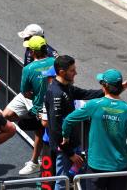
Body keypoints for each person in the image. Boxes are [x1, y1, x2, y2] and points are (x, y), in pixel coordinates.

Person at [62, 68, 127, 190]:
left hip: (95, 166)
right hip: (119, 166)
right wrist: (125, 158)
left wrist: (65, 137)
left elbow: (68, 120)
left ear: (104, 86)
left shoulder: (93, 105)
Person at [44, 55, 105, 190]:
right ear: (61, 72)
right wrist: (70, 154)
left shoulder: (68, 87)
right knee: (62, 182)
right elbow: (55, 128)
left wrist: (110, 90)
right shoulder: (56, 93)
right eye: (72, 70)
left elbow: (86, 94)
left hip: (73, 143)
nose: (75, 73)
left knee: (76, 179)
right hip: (65, 149)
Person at [3, 35, 55, 174]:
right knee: (7, 115)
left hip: (40, 106)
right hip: (46, 103)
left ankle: (35, 162)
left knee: (41, 132)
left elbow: (25, 92)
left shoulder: (29, 69)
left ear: (32, 52)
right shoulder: (55, 62)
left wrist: (36, 95)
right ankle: (36, 162)